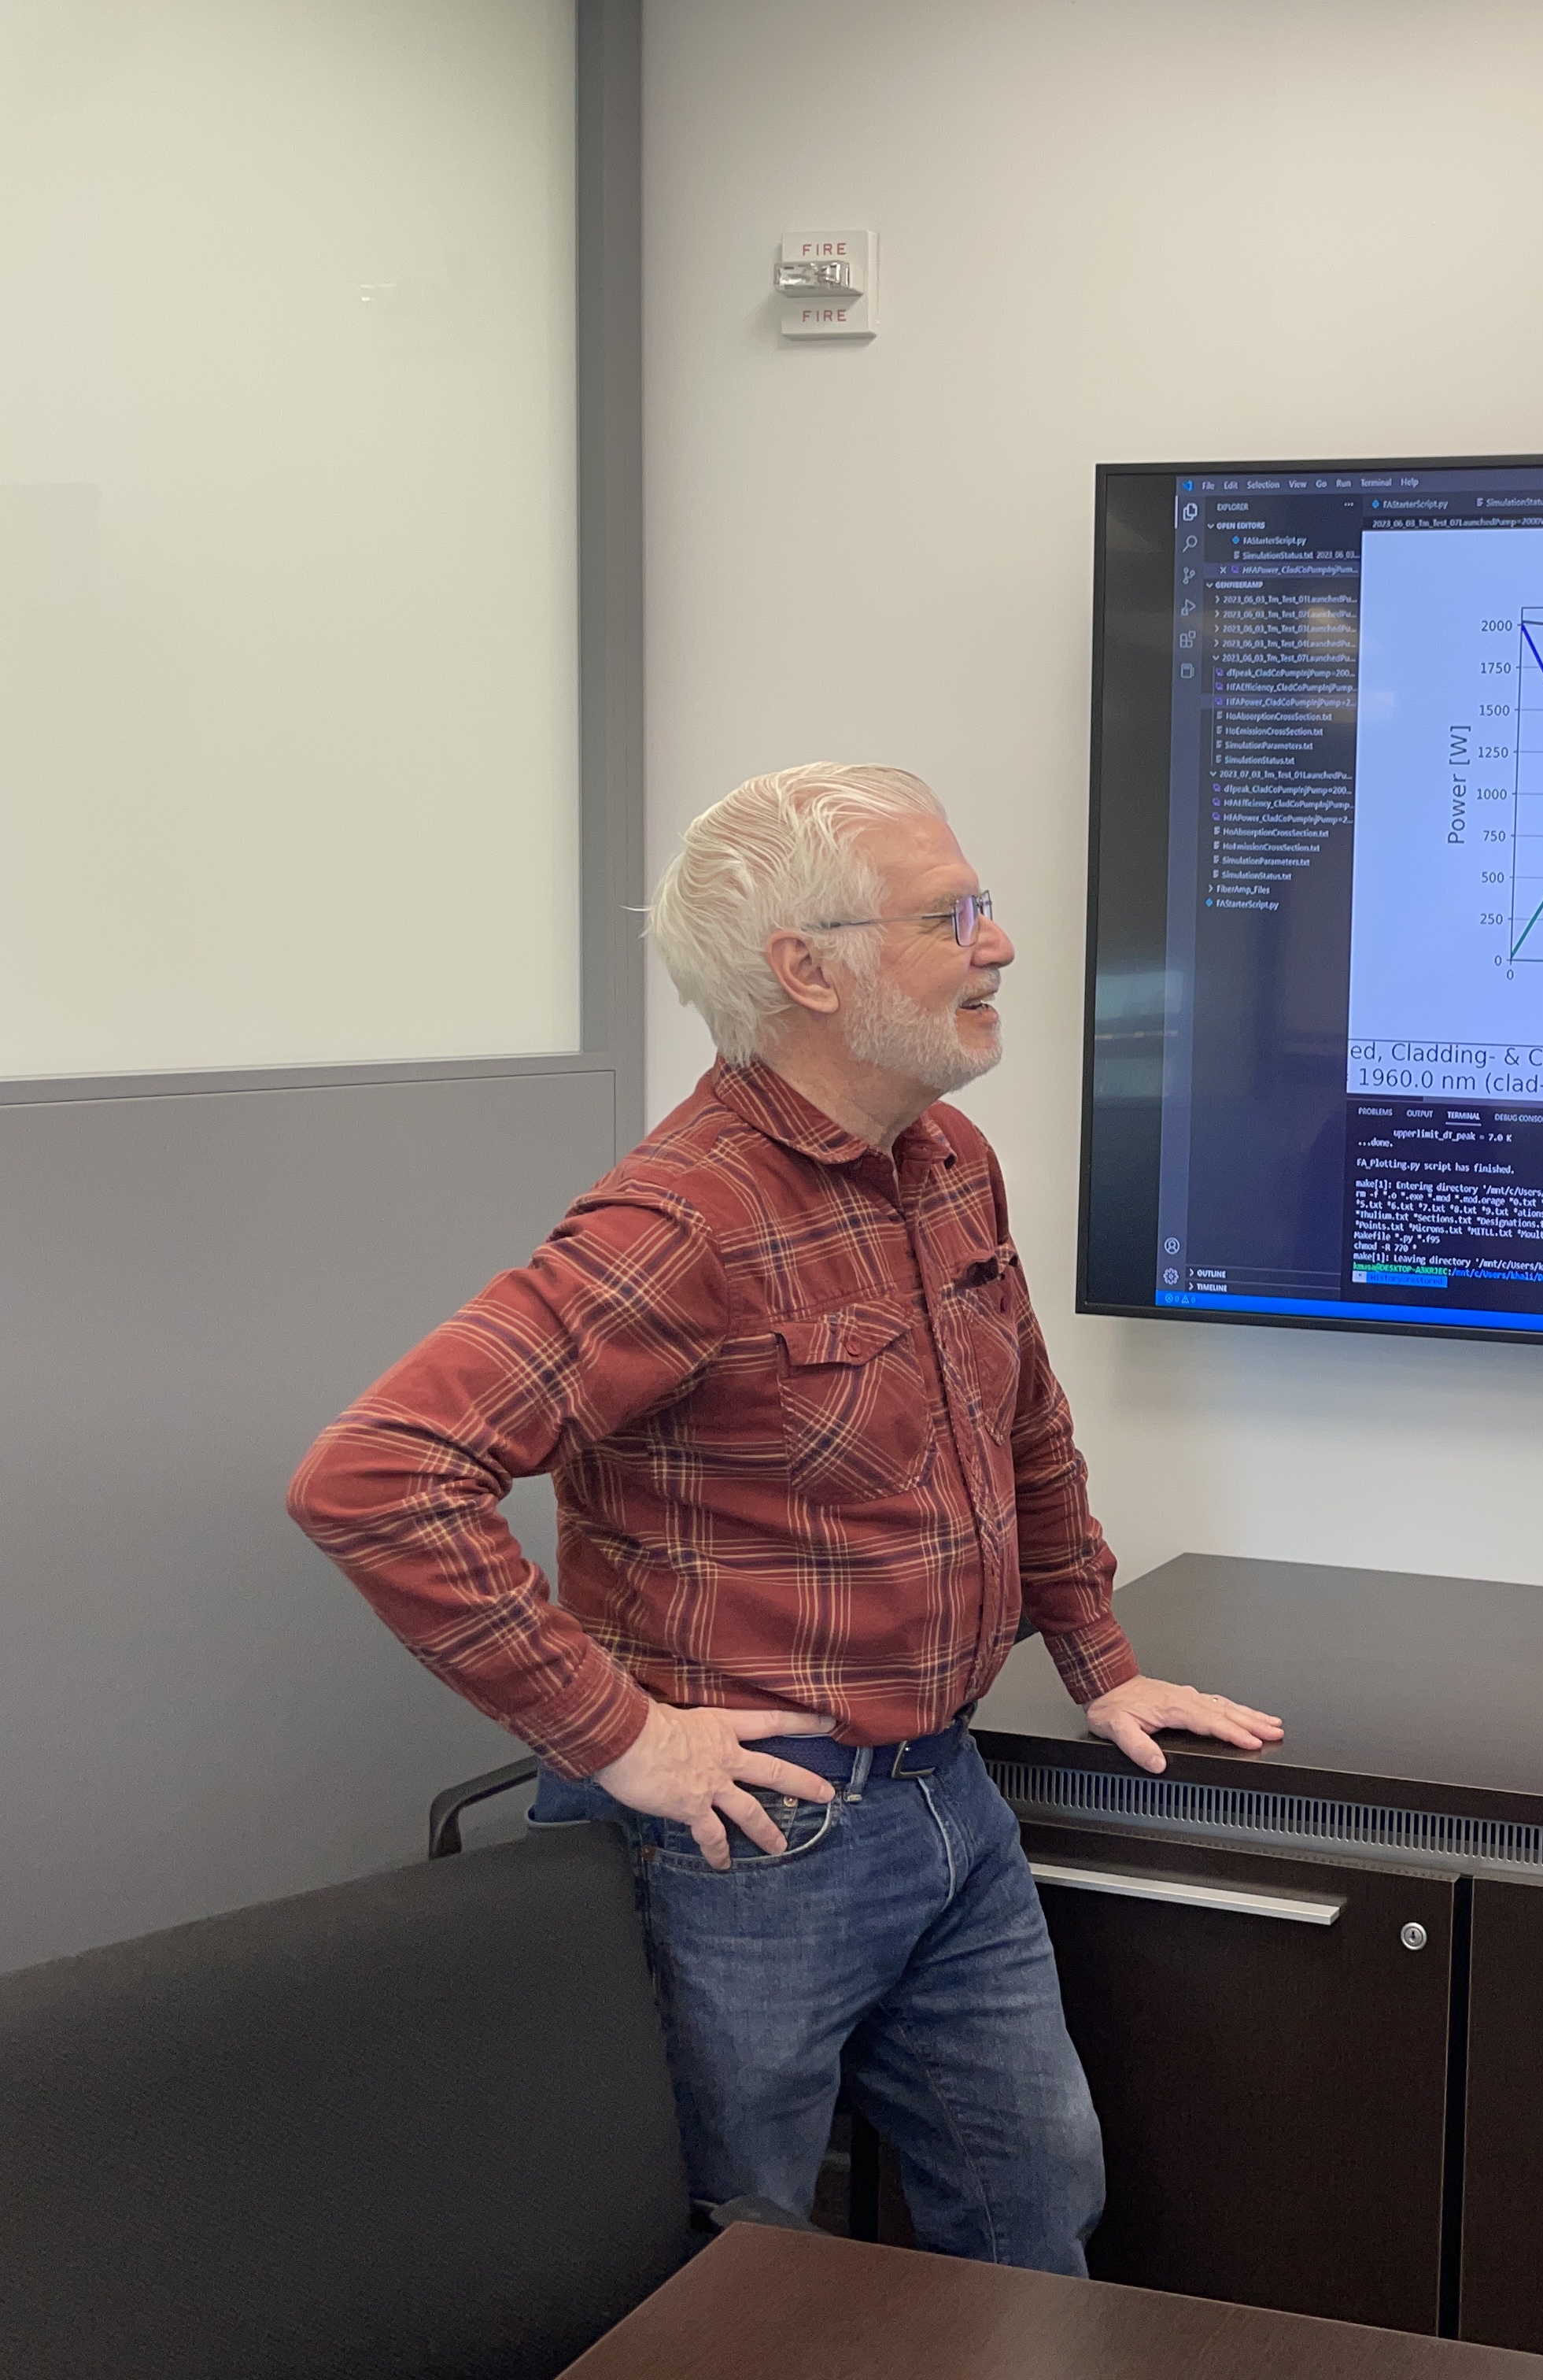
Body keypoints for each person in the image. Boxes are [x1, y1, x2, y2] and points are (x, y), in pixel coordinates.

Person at [290, 763, 1281, 2274]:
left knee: (1036, 2194)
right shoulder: (684, 1220)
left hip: (946, 1797)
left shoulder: (951, 1163)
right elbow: (377, 1475)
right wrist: (618, 1737)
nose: (1000, 944)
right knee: (732, 2260)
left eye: (982, 905)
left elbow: (1023, 1422)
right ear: (807, 971)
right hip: (746, 1842)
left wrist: (1100, 1658)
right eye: (950, 916)